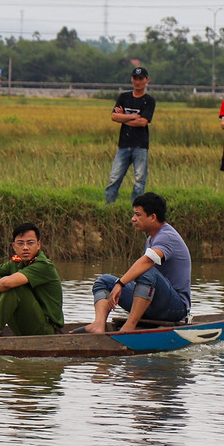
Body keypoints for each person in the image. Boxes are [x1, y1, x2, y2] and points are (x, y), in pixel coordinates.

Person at [83, 192, 191, 333]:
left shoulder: (167, 237)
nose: (133, 219)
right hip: (153, 304)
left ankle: (129, 326)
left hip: (175, 308)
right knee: (104, 281)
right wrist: (117, 284)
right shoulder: (151, 239)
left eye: (138, 215)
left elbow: (146, 262)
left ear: (152, 217)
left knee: (146, 270)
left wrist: (121, 283)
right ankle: (98, 324)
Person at [0, 222, 64, 338]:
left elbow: (7, 283)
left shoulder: (43, 265)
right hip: (23, 325)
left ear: (38, 245)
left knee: (14, 286)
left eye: (30, 243)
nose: (25, 247)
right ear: (14, 247)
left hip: (46, 331)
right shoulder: (16, 263)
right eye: (20, 243)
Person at [105, 66, 156, 204]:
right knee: (114, 178)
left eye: (141, 79)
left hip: (140, 146)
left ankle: (136, 211)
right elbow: (114, 117)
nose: (137, 81)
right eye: (135, 78)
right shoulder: (124, 97)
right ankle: (109, 206)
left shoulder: (149, 101)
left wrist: (124, 117)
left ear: (147, 80)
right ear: (131, 79)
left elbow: (143, 122)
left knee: (139, 181)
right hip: (123, 145)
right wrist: (133, 116)